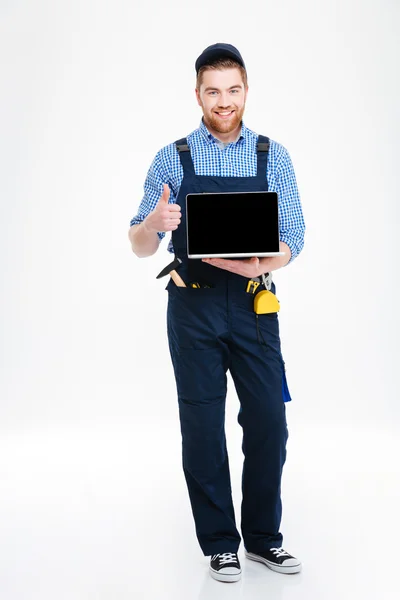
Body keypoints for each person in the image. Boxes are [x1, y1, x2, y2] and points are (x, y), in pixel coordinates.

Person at [128, 43, 306, 584]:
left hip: (255, 307)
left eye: (233, 90)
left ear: (246, 90)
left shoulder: (273, 155)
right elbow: (138, 243)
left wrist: (259, 265)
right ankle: (220, 545)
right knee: (202, 426)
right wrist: (156, 222)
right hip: (192, 306)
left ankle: (263, 541)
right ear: (198, 93)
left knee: (270, 424)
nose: (224, 101)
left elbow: (294, 237)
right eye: (213, 91)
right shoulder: (172, 157)